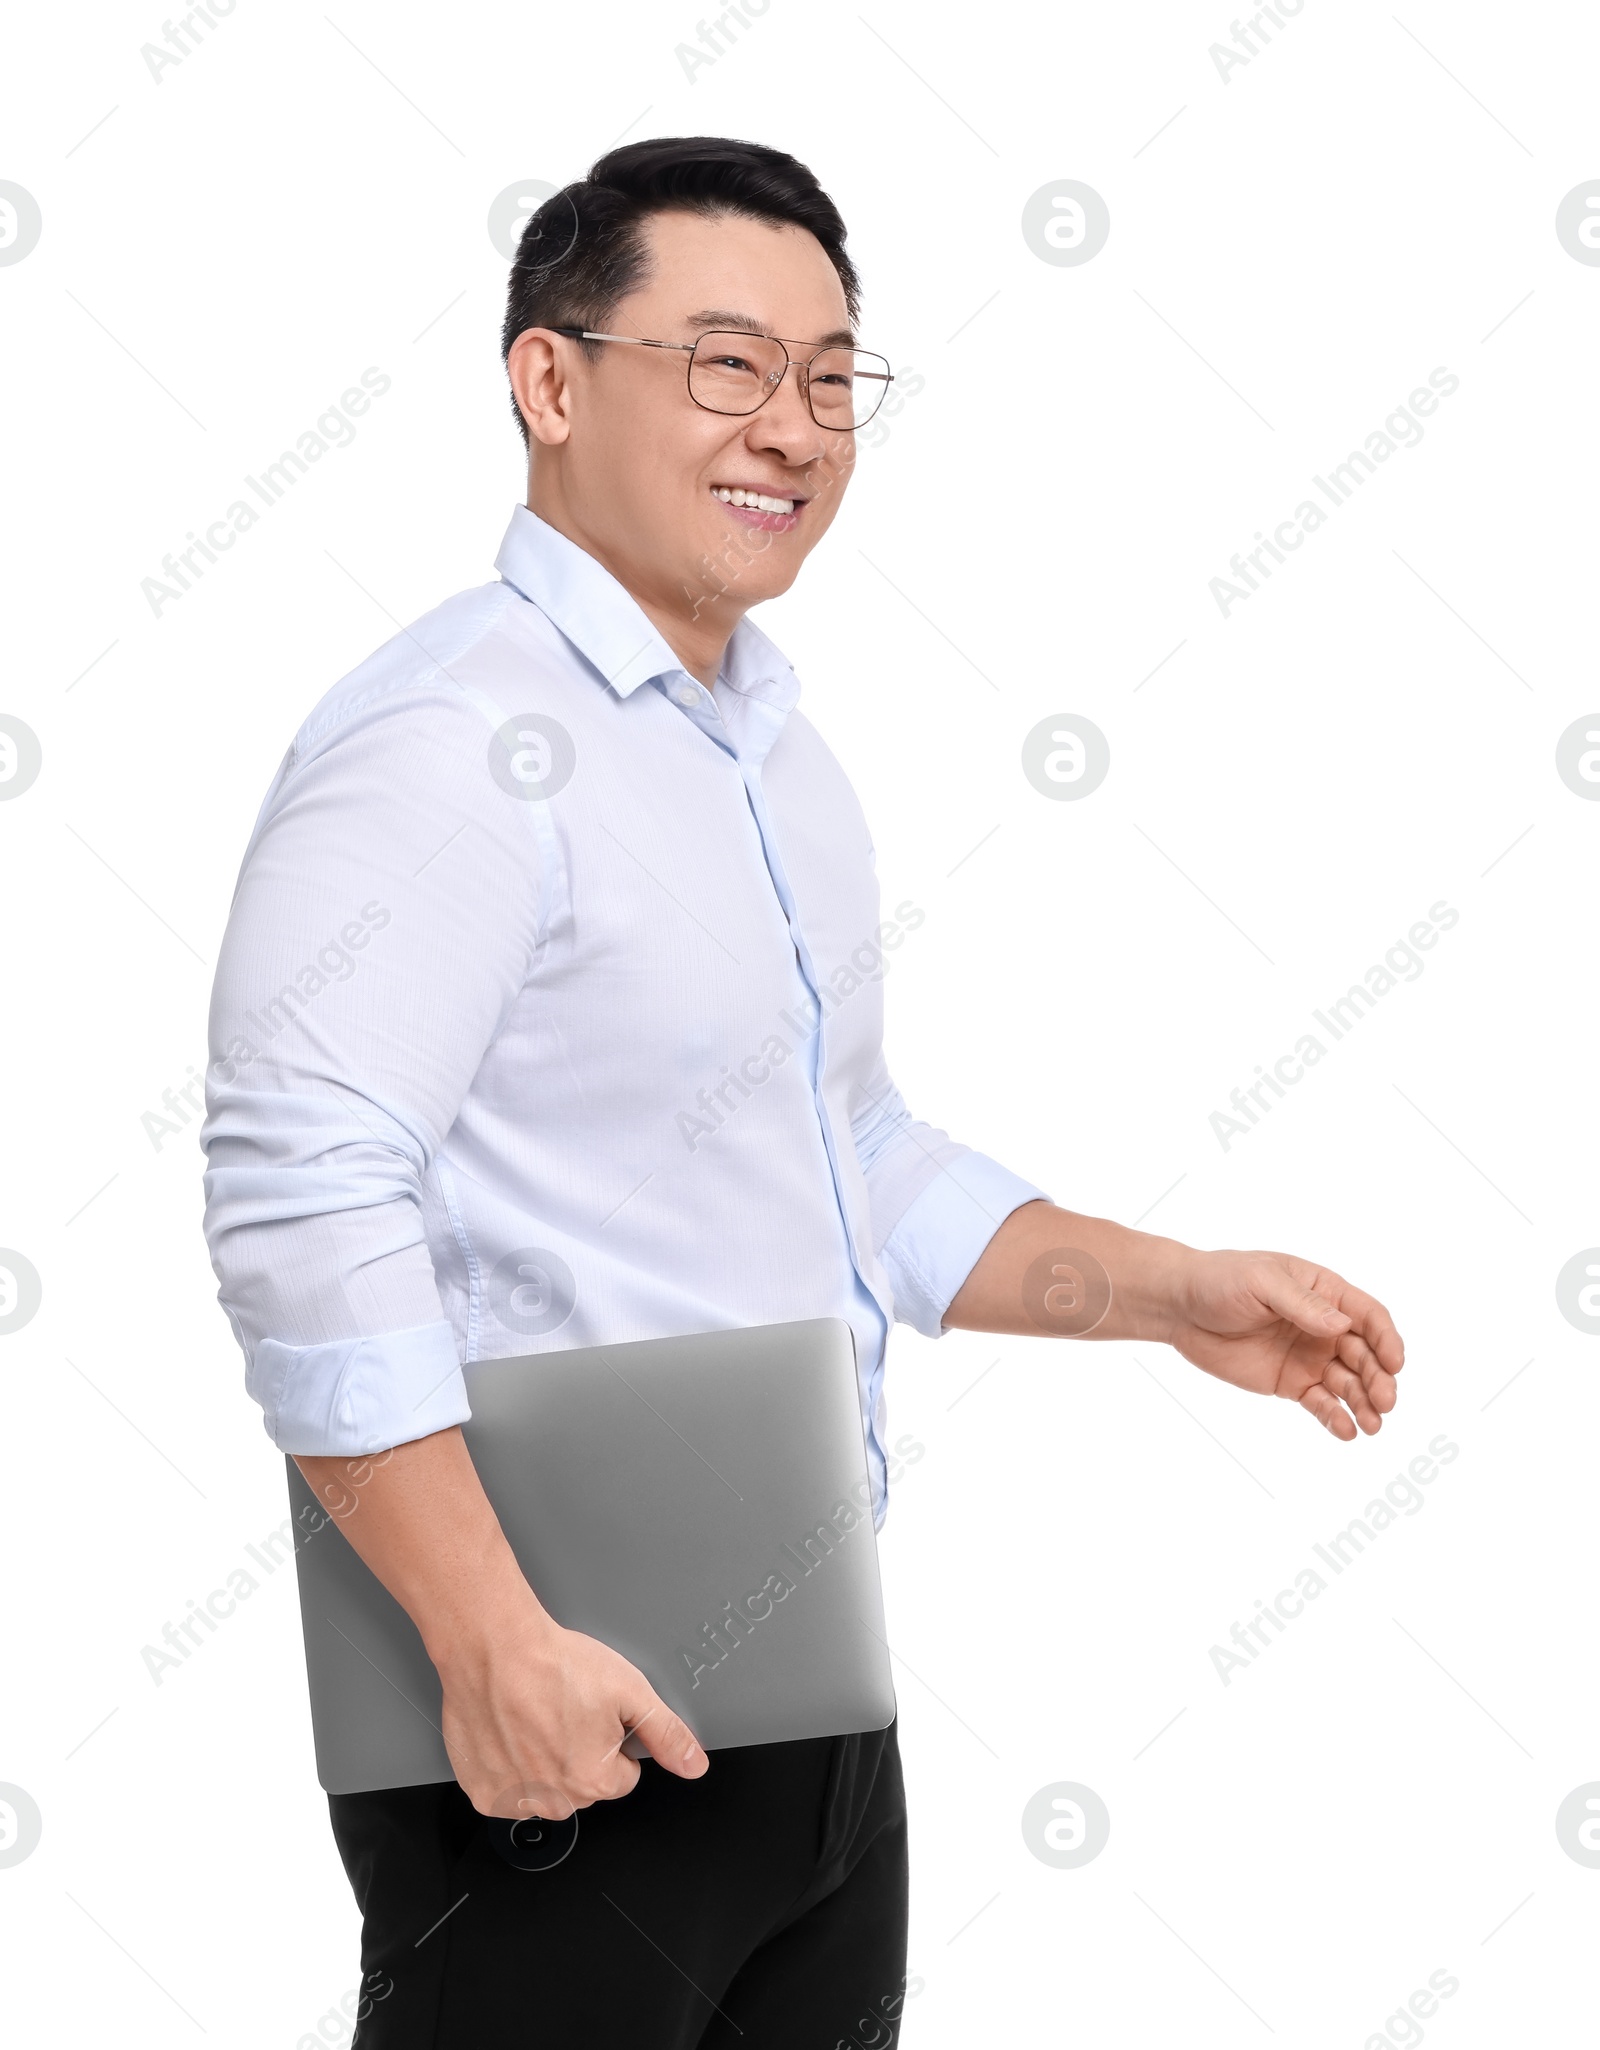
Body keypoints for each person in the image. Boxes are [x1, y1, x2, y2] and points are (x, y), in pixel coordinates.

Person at [200, 135, 1405, 2049]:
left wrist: (1172, 1290)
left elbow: (847, 1154)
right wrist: (484, 1637)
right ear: (551, 380)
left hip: (812, 1705)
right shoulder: (445, 744)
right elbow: (301, 1198)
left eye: (835, 377)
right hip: (555, 1718)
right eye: (731, 362)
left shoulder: (770, 751)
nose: (796, 424)